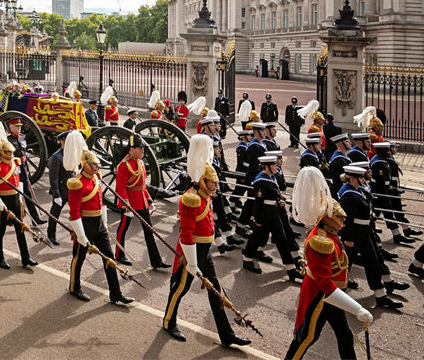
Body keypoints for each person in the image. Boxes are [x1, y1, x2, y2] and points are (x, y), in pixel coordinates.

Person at [161, 134, 251, 347]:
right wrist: (191, 262)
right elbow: (186, 233)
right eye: (212, 182)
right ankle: (168, 322)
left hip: (204, 251)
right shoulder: (192, 199)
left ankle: (226, 335)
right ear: (203, 181)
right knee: (180, 288)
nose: (215, 186)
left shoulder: (205, 196)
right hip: (189, 251)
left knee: (216, 292)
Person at [284, 167, 372, 359]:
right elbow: (325, 283)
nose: (343, 220)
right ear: (328, 220)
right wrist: (357, 309)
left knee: (345, 336)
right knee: (306, 338)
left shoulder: (331, 234)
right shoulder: (320, 242)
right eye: (339, 218)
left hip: (333, 297)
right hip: (321, 296)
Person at [63, 132, 133, 305]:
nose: (97, 167)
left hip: (98, 224)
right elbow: (74, 212)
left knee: (109, 258)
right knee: (79, 258)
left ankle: (115, 293)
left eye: (97, 164)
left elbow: (101, 202)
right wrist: (80, 235)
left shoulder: (96, 178)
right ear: (85, 165)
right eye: (93, 165)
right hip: (84, 225)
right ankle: (74, 286)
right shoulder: (77, 183)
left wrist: (105, 222)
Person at [337, 165, 405, 309]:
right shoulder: (349, 194)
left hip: (365, 232)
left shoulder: (358, 190)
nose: (364, 179)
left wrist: (370, 215)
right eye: (361, 177)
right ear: (353, 179)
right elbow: (347, 219)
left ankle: (380, 296)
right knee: (344, 265)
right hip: (354, 235)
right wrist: (348, 238)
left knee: (373, 262)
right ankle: (336, 294)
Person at [0, 121, 38, 269]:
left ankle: (25, 257)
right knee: (1, 232)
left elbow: (18, 179)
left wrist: (20, 196)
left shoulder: (15, 163)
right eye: (8, 153)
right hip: (2, 200)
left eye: (12, 152)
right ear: (2, 152)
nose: (11, 155)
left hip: (14, 199)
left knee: (21, 229)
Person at [241, 155, 304, 280]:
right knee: (256, 237)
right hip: (264, 214)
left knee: (282, 239)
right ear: (267, 166)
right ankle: (247, 259)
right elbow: (258, 202)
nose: (276, 167)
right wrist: (258, 219)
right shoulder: (261, 180)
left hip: (274, 212)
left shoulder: (271, 177)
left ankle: (290, 269)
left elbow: (273, 193)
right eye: (274, 165)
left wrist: (278, 199)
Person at [114, 133, 170, 270]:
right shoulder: (124, 165)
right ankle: (119, 254)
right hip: (129, 203)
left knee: (149, 231)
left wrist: (149, 200)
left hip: (141, 201)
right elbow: (120, 188)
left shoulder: (140, 162)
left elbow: (142, 185)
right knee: (123, 229)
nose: (143, 151)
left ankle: (156, 260)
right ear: (132, 149)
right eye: (140, 149)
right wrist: (126, 204)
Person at [7, 118, 45, 224]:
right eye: (17, 126)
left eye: (20, 126)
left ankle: (35, 219)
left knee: (28, 196)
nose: (19, 128)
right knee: (15, 198)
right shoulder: (9, 140)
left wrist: (27, 171)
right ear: (11, 127)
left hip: (24, 171)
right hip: (15, 172)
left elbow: (24, 156)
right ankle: (13, 218)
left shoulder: (21, 138)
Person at [46, 132, 71, 245]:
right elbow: (53, 178)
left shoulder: (70, 154)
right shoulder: (56, 156)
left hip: (71, 188)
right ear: (62, 141)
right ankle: (51, 234)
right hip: (60, 189)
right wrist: (56, 194)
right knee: (55, 213)